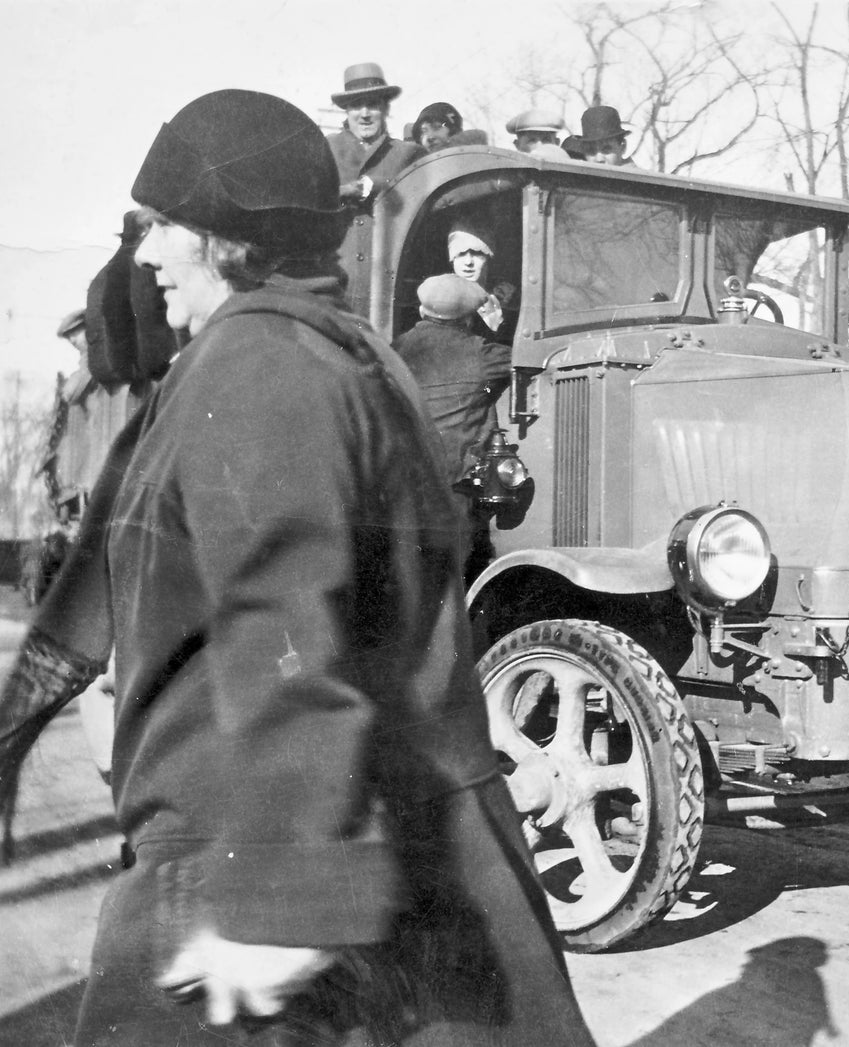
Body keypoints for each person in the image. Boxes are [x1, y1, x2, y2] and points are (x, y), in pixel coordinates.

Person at [0, 87, 594, 1046]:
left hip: (253, 846)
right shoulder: (330, 352)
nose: (144, 253)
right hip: (398, 837)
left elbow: (287, 618)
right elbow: (123, 543)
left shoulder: (264, 365)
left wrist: (280, 899)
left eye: (163, 227)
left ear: (225, 237)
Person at [395, 274, 512, 580]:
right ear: (468, 318)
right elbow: (522, 360)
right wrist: (498, 327)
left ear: (423, 310)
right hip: (454, 490)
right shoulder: (482, 352)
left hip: (404, 487)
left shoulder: (397, 349)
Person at [326, 63, 425, 314]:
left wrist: (376, 186)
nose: (365, 113)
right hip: (335, 289)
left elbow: (422, 197)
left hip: (390, 291)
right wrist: (343, 191)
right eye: (356, 105)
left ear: (385, 108)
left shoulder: (408, 154)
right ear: (346, 111)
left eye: (373, 104)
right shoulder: (325, 150)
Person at [448, 225, 514, 340]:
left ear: (488, 257)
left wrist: (499, 324)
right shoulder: (439, 297)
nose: (468, 262)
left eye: (477, 253)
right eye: (461, 254)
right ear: (452, 259)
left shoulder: (507, 296)